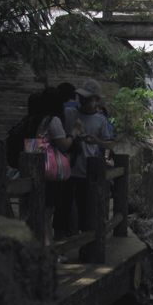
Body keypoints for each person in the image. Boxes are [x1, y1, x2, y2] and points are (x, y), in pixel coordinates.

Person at [64, 80, 114, 232]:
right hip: (66, 169)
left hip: (87, 171)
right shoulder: (69, 113)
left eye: (88, 99)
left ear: (96, 101)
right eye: (81, 98)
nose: (83, 101)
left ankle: (85, 242)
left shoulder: (101, 120)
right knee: (65, 208)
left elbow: (110, 144)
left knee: (85, 208)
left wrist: (96, 141)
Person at [32, 88, 80, 245]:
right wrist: (74, 133)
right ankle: (48, 249)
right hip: (49, 171)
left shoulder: (35, 119)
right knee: (47, 213)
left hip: (35, 168)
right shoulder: (53, 120)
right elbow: (64, 145)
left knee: (40, 211)